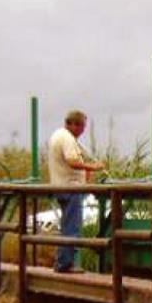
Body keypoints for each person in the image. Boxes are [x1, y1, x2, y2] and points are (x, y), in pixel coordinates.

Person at [48, 110, 104, 272]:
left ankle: (62, 262)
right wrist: (92, 166)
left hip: (63, 186)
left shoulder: (58, 135)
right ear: (73, 124)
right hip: (70, 188)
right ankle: (65, 264)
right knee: (72, 227)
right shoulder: (66, 138)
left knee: (68, 225)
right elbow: (72, 160)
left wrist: (85, 175)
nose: (83, 130)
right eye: (82, 127)